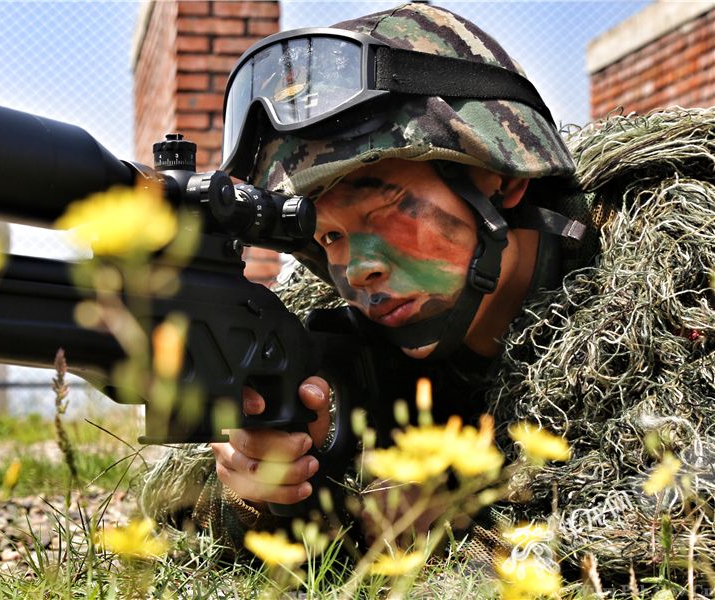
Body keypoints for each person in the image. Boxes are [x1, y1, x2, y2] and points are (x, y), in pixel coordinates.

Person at [141, 1, 714, 574]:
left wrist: (441, 541)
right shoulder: (325, 326)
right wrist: (274, 477)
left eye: (386, 208)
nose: (356, 268)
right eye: (331, 235)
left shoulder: (671, 269)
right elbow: (177, 512)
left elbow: (676, 513)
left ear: (498, 176)